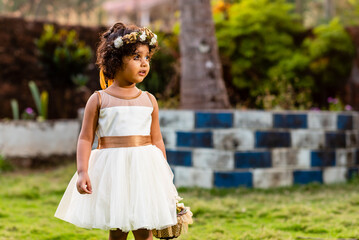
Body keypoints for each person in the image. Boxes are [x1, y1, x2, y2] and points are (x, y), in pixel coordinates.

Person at [54, 22, 179, 240]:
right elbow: (85, 138)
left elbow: (157, 140)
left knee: (145, 229)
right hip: (113, 172)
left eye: (147, 57)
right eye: (136, 57)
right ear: (116, 59)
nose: (144, 63)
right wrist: (83, 171)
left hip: (144, 172)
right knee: (118, 229)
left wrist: (163, 177)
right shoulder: (99, 99)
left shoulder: (149, 100)